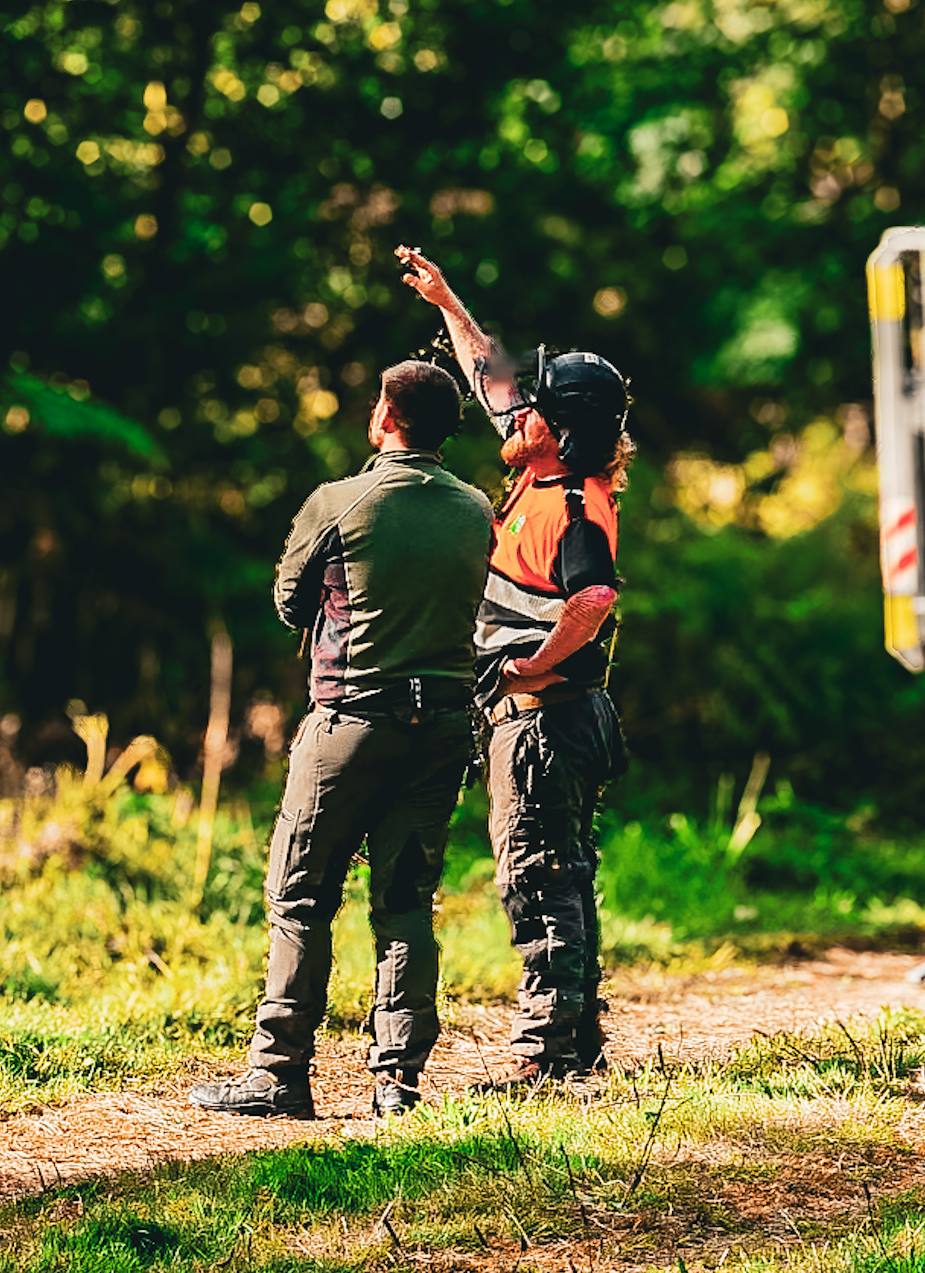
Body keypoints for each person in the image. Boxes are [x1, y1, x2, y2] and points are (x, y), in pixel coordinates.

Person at [189, 360, 493, 1119]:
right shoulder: (479, 508)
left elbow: (291, 603)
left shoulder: (338, 500)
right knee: (405, 902)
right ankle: (398, 1083)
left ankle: (280, 1073)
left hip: (351, 723)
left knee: (300, 893)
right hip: (445, 729)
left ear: (385, 415)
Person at [398, 244, 632, 1082]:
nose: (512, 413)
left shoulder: (571, 505)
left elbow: (594, 599)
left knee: (537, 878)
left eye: (530, 409)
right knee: (564, 871)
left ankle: (546, 1054)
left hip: (544, 722)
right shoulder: (545, 470)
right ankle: (580, 1045)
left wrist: (534, 666)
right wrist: (449, 303)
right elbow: (491, 380)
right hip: (558, 720)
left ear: (556, 428)